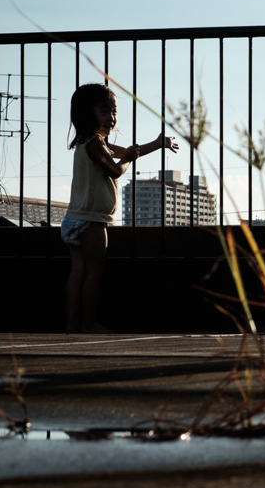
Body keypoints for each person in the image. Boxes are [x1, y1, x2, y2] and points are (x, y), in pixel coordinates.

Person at [62, 83, 178, 333]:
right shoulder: (95, 144)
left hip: (73, 219)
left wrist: (158, 144)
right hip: (92, 220)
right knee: (94, 273)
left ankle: (72, 324)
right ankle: (88, 323)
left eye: (113, 112)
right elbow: (116, 168)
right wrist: (126, 161)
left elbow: (128, 152)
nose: (111, 118)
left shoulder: (89, 142)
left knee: (77, 272)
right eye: (104, 111)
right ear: (86, 113)